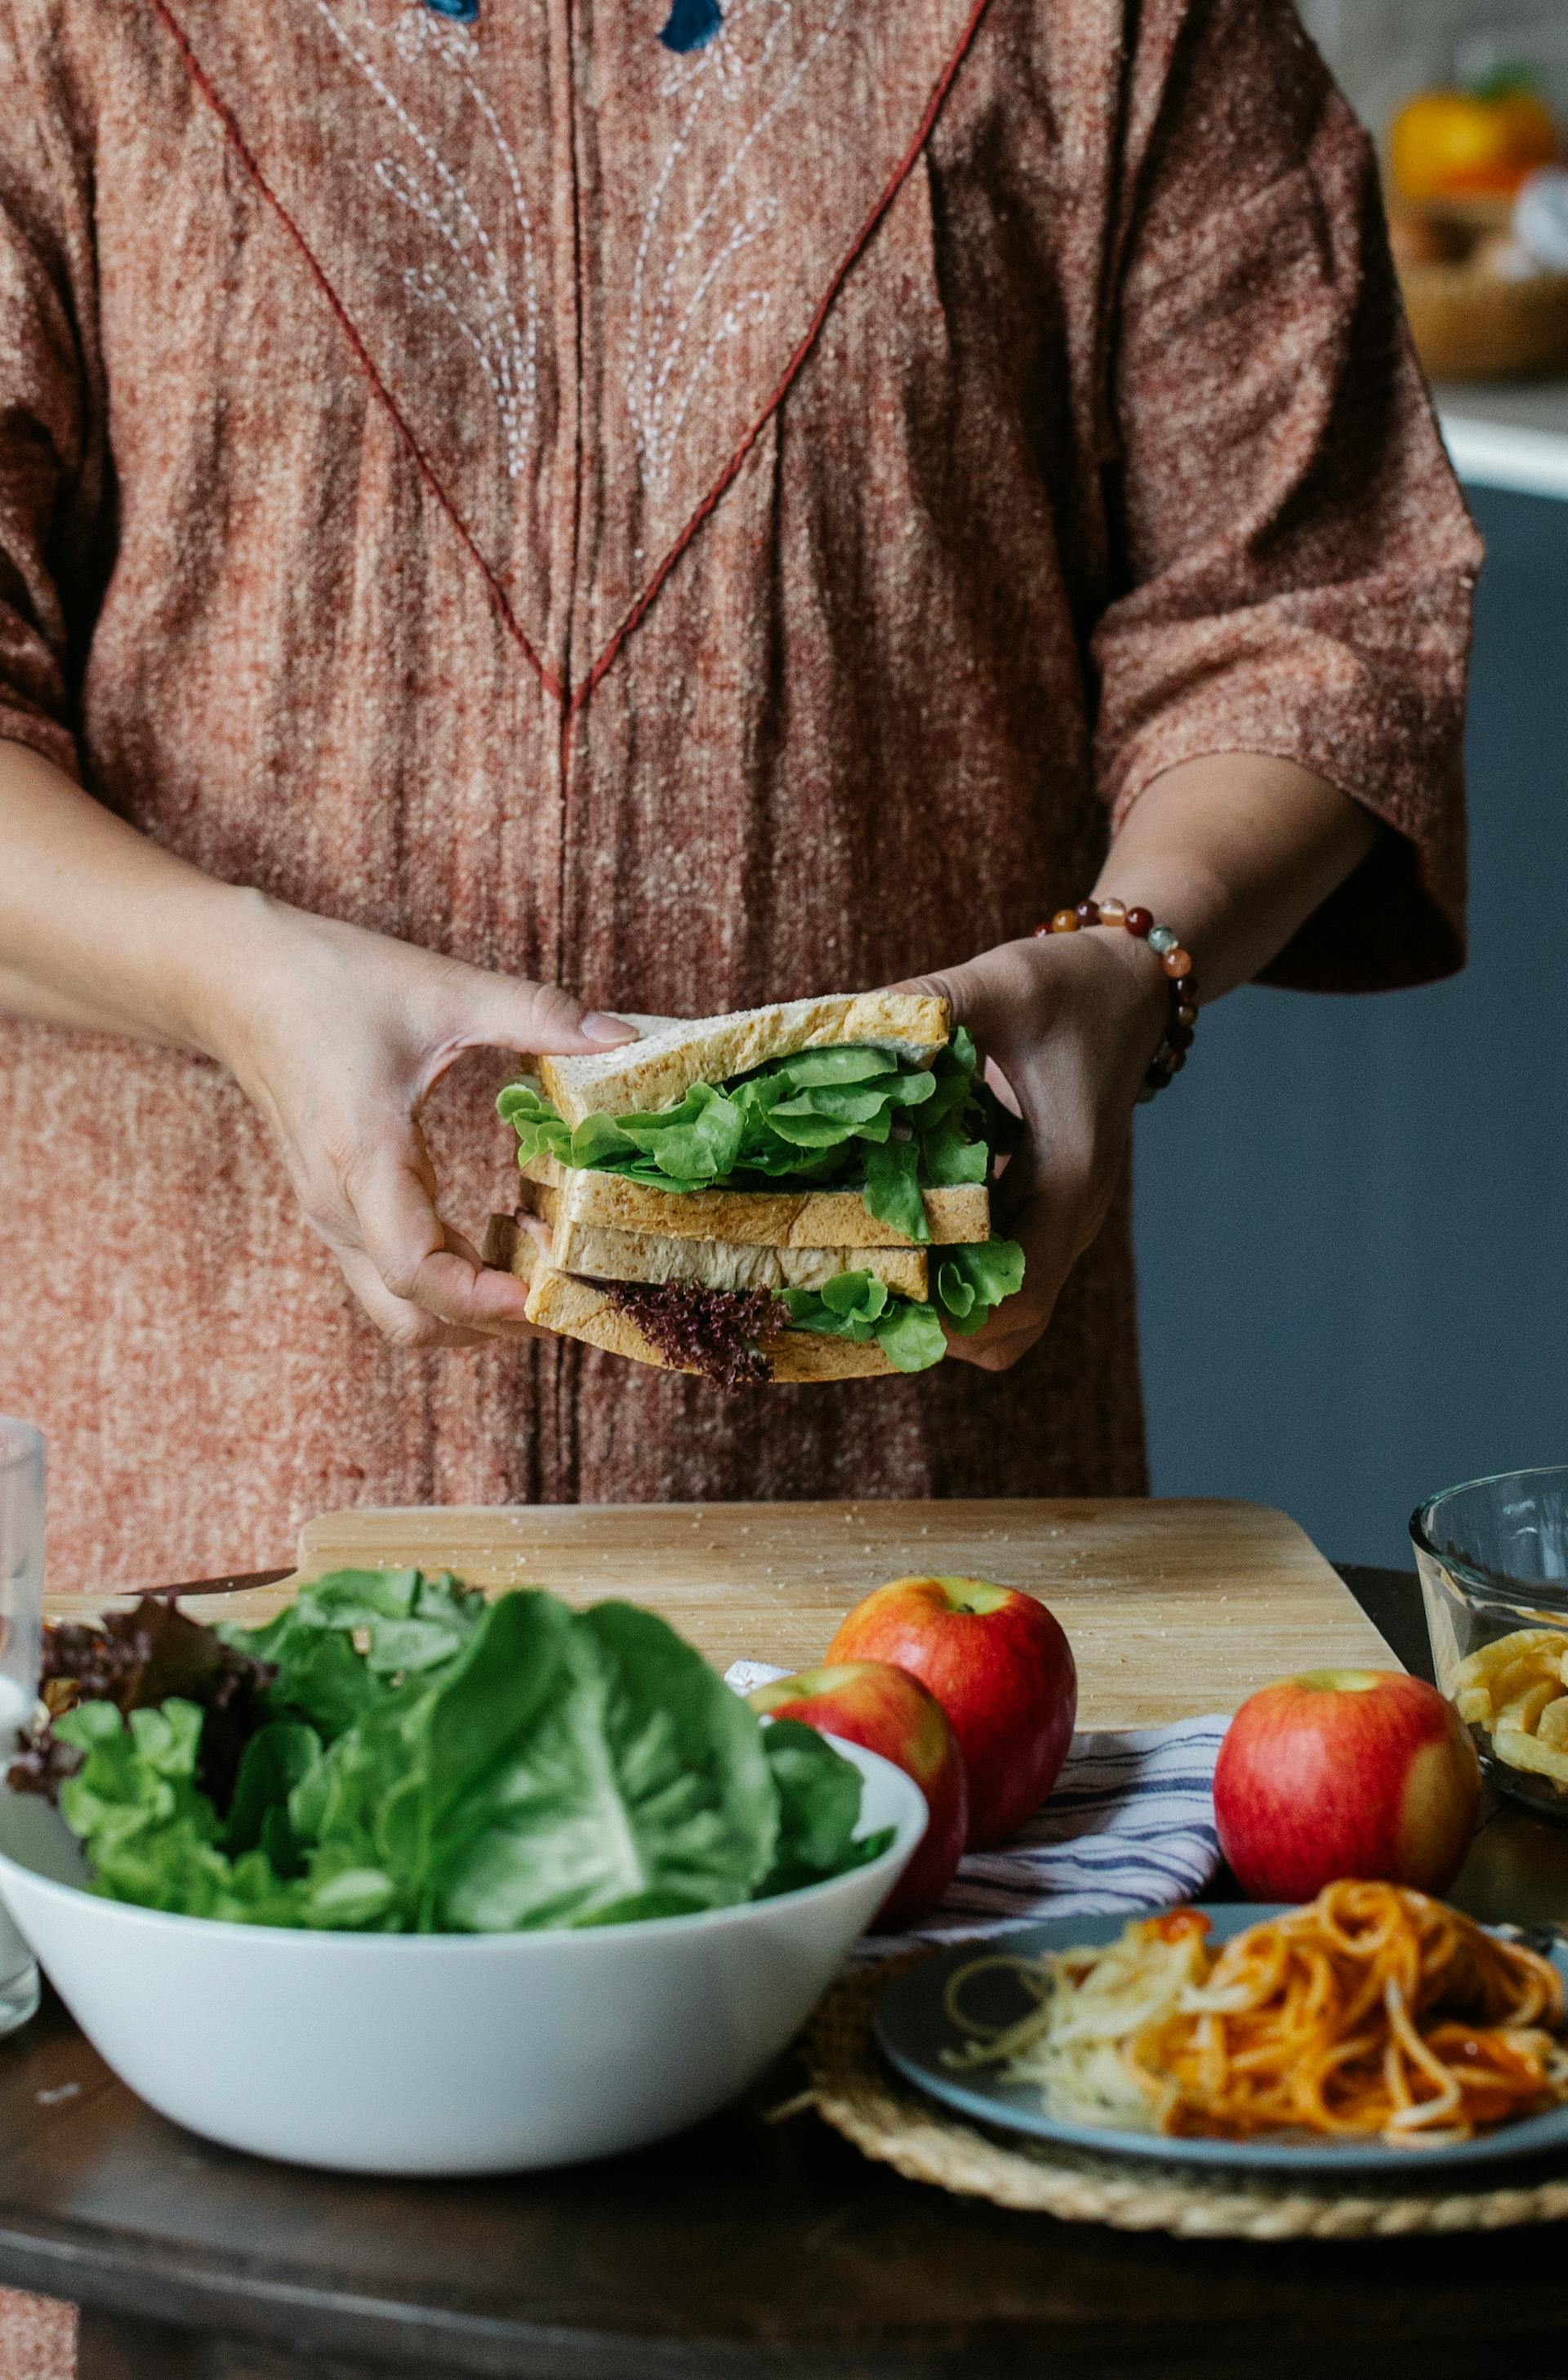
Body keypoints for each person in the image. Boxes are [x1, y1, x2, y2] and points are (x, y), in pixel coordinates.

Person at [0, 0, 1477, 1590]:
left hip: (900, 1525)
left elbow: (1309, 610)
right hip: (199, 1484)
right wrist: (236, 981)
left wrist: (1136, 955)